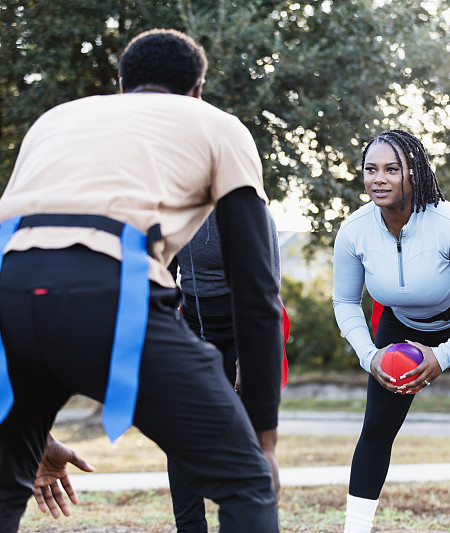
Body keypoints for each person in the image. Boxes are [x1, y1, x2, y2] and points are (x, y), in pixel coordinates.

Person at [0, 29, 283, 532]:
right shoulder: (217, 125)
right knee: (245, 482)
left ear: (121, 84)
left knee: (4, 484)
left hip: (9, 295)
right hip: (107, 292)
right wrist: (263, 440)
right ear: (197, 90)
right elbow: (256, 289)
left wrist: (30, 435)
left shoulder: (54, 121)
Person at [333, 129, 450, 533]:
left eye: (391, 169)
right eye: (371, 169)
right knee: (376, 429)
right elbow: (345, 302)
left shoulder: (449, 224)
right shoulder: (353, 231)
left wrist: (444, 355)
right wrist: (371, 356)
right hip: (399, 323)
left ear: (413, 173)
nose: (378, 179)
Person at [166, 208, 285, 533]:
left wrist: (252, 354)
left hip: (243, 332)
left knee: (249, 441)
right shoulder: (171, 210)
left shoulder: (249, 209)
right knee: (180, 434)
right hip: (192, 329)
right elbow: (159, 279)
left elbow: (267, 288)